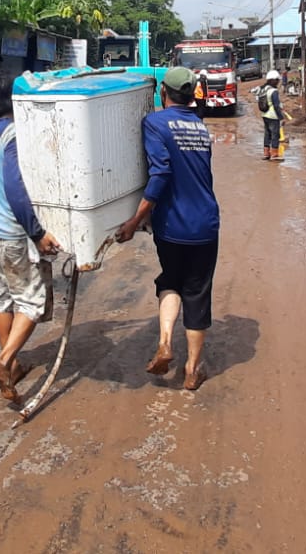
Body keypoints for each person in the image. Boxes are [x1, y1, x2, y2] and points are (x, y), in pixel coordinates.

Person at [116, 67, 220, 391]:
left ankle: (164, 343)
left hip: (171, 225)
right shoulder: (200, 128)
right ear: (192, 95)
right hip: (205, 223)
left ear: (164, 92)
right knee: (198, 293)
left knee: (170, 281)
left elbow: (159, 174)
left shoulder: (155, 122)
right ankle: (192, 369)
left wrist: (135, 219)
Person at [0, 74, 61, 405]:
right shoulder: (12, 134)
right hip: (10, 231)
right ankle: (5, 360)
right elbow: (15, 189)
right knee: (31, 300)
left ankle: (12, 367)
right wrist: (37, 233)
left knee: (0, 299)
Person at [255, 69, 290, 161]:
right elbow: (276, 106)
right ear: (274, 80)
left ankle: (266, 153)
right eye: (277, 80)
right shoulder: (273, 91)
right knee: (275, 135)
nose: (278, 82)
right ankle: (274, 154)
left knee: (267, 134)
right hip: (273, 116)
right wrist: (281, 118)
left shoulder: (263, 89)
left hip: (264, 115)